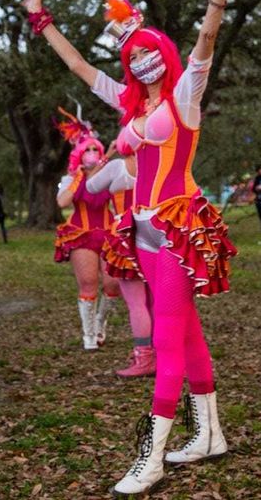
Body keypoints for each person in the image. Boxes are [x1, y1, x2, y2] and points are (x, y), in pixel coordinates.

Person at [21, 0, 254, 496]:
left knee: (171, 336)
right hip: (142, 227)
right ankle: (209, 434)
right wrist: (42, 20)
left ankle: (151, 456)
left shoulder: (185, 97)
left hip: (177, 224)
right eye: (135, 55)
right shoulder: (128, 103)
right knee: (187, 330)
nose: (145, 59)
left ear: (165, 53)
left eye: (152, 50)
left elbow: (208, 34)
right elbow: (78, 68)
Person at [86, 137, 155, 378]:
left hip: (126, 234)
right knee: (155, 299)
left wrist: (107, 156)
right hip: (155, 230)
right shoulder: (158, 162)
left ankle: (144, 357)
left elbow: (91, 186)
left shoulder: (117, 167)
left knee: (136, 302)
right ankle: (164, 354)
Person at [54, 113, 122, 352]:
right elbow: (62, 203)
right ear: (79, 154)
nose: (92, 152)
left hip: (108, 232)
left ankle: (101, 324)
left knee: (114, 284)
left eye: (96, 149)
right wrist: (78, 177)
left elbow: (118, 202)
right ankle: (89, 334)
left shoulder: (109, 175)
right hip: (81, 234)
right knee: (88, 282)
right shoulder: (71, 179)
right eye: (87, 149)